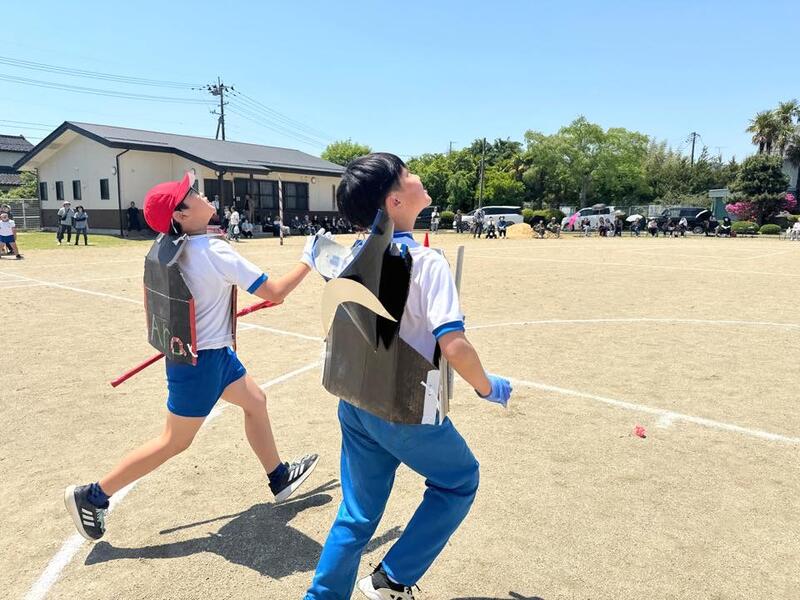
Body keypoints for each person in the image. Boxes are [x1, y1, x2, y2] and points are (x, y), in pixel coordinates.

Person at [64, 172, 320, 542]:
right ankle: (92, 495)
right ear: (181, 215)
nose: (202, 195)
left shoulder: (170, 245)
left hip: (211, 354)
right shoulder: (214, 251)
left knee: (255, 401)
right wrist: (309, 257)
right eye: (193, 193)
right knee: (174, 441)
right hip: (201, 363)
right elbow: (276, 292)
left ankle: (278, 477)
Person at [304, 153, 511, 600]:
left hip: (356, 402)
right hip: (406, 407)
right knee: (460, 480)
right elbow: (453, 345)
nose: (418, 176)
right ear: (394, 201)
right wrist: (488, 387)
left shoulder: (355, 254)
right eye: (408, 173)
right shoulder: (426, 261)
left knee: (357, 515)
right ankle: (393, 578)